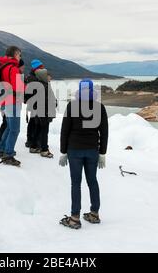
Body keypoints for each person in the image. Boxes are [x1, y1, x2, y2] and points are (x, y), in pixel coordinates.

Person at [59, 79, 108, 229]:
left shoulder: (72, 106)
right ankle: (94, 214)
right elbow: (104, 132)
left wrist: (63, 151)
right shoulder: (100, 107)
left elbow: (65, 131)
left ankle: (74, 218)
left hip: (74, 150)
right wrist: (102, 153)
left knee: (76, 183)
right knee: (92, 181)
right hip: (92, 150)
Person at [0, 46, 25, 166]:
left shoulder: (3, 66)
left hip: (4, 101)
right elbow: (17, 87)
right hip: (12, 102)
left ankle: (1, 149)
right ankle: (8, 154)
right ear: (14, 54)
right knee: (15, 129)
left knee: (8, 126)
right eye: (19, 55)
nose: (20, 57)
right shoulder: (13, 68)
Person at [25, 59, 57, 158]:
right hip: (44, 111)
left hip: (37, 109)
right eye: (48, 75)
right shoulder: (44, 85)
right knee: (44, 130)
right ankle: (44, 149)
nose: (50, 77)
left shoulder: (35, 82)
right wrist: (54, 104)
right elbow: (48, 99)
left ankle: (33, 146)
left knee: (38, 127)